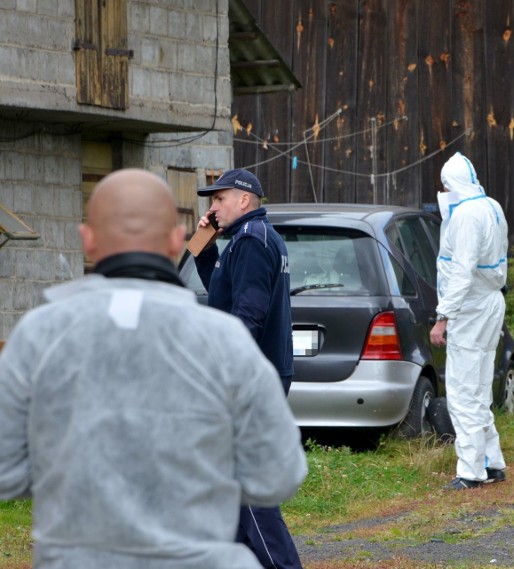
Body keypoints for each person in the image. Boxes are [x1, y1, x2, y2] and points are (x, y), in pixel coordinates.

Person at [0, 168, 307, 569]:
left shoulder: (39, 334)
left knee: (246, 501)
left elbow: (8, 468)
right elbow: (282, 471)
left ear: (87, 240)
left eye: (219, 199)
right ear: (174, 241)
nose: (212, 207)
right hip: (248, 373)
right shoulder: (229, 309)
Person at [194, 168, 302, 569]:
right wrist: (205, 246)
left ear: (243, 200)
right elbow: (223, 290)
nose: (212, 207)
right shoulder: (244, 239)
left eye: (219, 199)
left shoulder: (253, 241)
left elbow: (248, 315)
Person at [429, 152, 509, 490]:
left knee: (462, 392)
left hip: (471, 308)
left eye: (445, 184)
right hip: (490, 302)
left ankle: (470, 472)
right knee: (478, 389)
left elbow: (461, 272)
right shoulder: (491, 206)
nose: (443, 190)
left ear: (452, 183)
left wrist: (442, 317)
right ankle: (492, 463)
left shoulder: (464, 216)